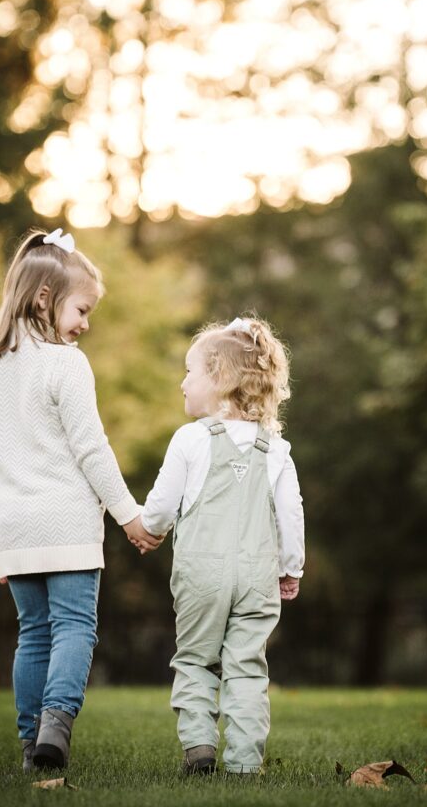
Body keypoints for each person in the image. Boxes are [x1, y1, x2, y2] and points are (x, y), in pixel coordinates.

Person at [0, 227, 161, 773]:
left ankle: (33, 746)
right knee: (75, 625)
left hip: (18, 528)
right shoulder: (66, 363)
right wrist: (129, 515)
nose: (85, 324)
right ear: (46, 299)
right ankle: (57, 723)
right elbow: (91, 448)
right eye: (82, 309)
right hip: (68, 523)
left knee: (33, 632)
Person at [141, 316, 305, 776]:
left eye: (190, 372)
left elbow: (159, 509)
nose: (182, 383)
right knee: (248, 667)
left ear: (220, 380)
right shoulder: (276, 449)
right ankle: (244, 761)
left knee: (195, 657)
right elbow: (290, 516)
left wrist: (148, 528)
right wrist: (291, 568)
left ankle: (199, 747)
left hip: (201, 575)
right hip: (257, 576)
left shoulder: (189, 440)